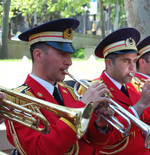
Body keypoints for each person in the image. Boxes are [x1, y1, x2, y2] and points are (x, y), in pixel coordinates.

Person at [4, 18, 115, 155]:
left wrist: (101, 125)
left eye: (69, 54)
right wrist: (82, 107)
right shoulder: (19, 101)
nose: (69, 62)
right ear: (38, 55)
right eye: (62, 54)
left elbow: (91, 146)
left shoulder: (72, 93)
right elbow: (39, 151)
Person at [78, 28, 150, 155]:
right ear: (109, 64)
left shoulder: (133, 87)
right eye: (125, 61)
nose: (132, 67)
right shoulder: (95, 89)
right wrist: (139, 106)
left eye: (134, 61)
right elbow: (104, 141)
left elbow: (142, 128)